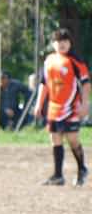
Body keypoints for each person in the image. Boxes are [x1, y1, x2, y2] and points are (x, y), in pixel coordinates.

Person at [34, 28, 90, 186]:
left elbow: (85, 85)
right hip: (54, 107)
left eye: (65, 41)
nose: (62, 44)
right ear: (53, 44)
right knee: (55, 139)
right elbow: (43, 83)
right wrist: (39, 104)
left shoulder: (75, 61)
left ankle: (82, 169)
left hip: (71, 107)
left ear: (70, 43)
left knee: (72, 139)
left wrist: (85, 105)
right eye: (58, 41)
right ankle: (58, 175)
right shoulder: (49, 61)